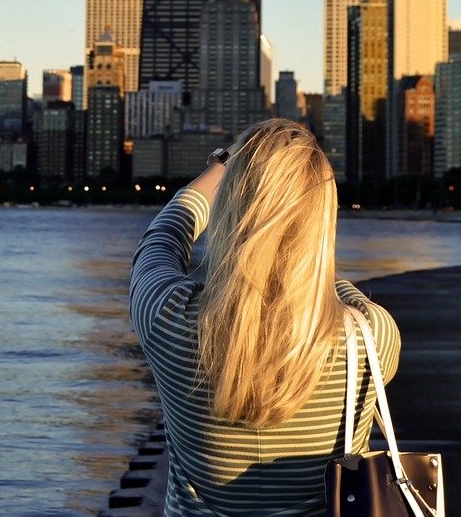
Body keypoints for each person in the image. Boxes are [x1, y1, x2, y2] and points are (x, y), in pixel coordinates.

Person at [130, 118, 401, 516]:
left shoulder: (166, 318)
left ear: (230, 209)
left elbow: (163, 237)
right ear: (323, 217)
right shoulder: (370, 338)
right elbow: (339, 292)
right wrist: (304, 253)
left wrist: (224, 164)